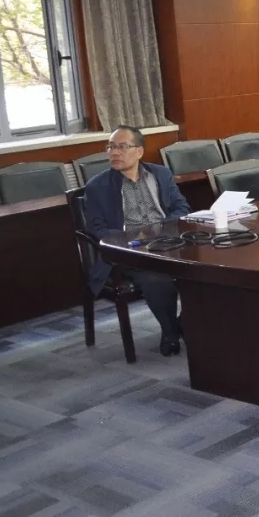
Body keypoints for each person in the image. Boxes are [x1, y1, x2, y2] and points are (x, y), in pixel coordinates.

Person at [84, 126, 191, 356]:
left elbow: (181, 208)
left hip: (168, 243)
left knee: (206, 271)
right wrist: (134, 237)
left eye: (122, 147)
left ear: (139, 151)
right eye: (111, 147)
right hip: (130, 252)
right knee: (157, 279)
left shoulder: (160, 174)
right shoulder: (98, 186)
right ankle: (171, 333)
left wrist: (161, 229)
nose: (114, 152)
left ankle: (182, 324)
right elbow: (96, 228)